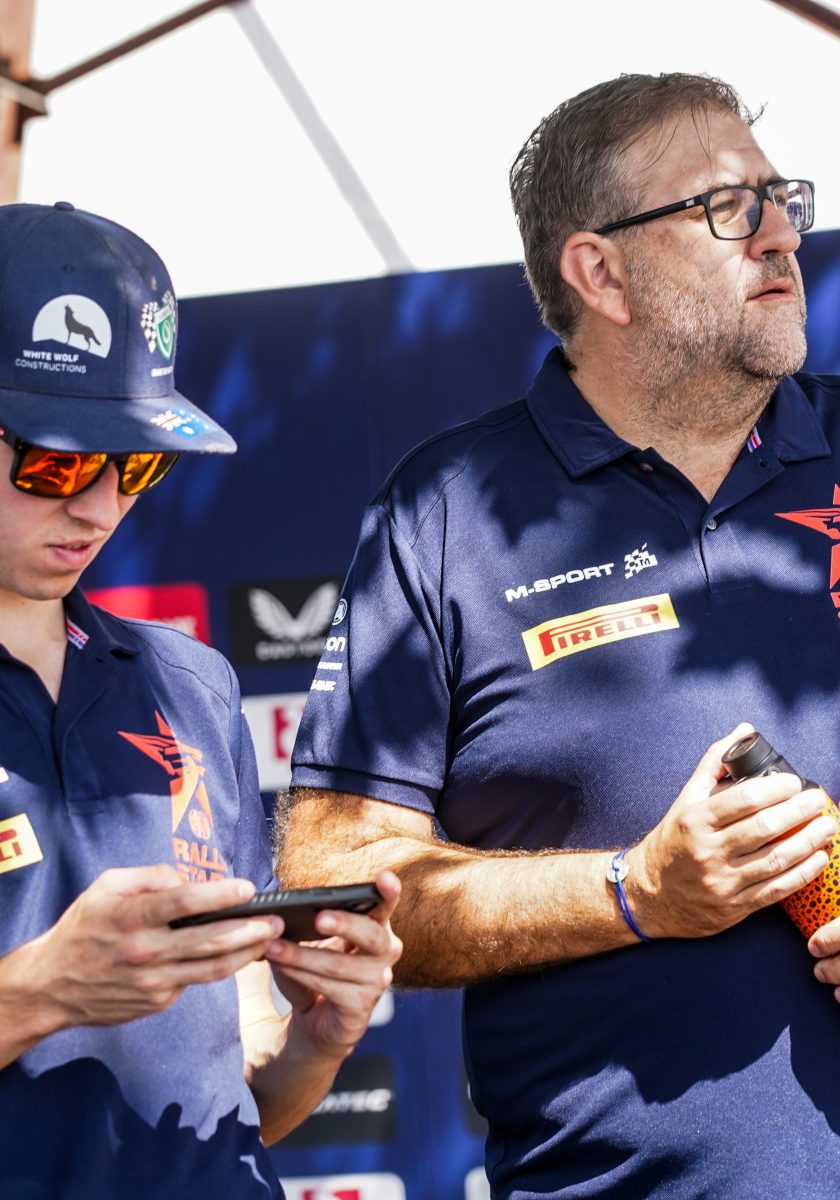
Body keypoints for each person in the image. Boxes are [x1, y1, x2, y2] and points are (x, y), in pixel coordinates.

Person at [283, 73, 840, 1197]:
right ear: (601, 272)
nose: (782, 233)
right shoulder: (448, 512)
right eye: (729, 207)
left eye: (784, 198)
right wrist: (637, 892)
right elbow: (335, 878)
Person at [0, 201, 401, 1200]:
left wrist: (316, 1040)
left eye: (136, 465)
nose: (98, 505)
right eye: (56, 461)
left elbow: (239, 1099)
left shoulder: (189, 683)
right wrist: (39, 992)